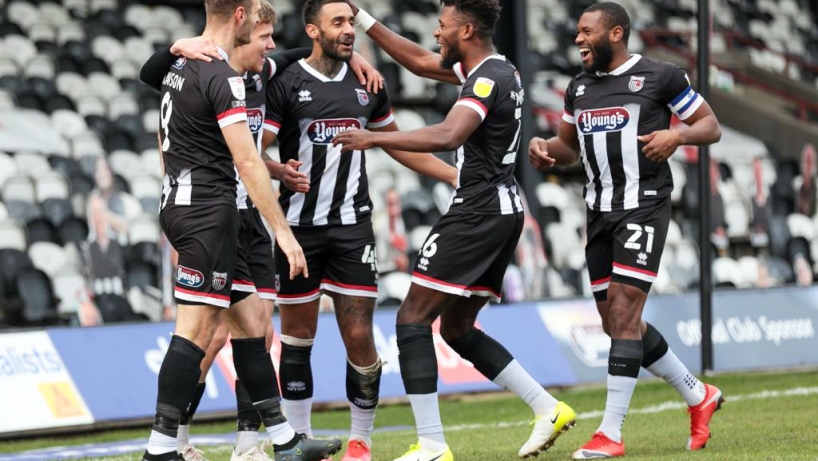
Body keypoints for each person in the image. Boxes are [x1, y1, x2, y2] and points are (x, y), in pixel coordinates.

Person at [139, 2, 383, 459]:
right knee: (198, 335)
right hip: (207, 210)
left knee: (254, 327)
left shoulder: (210, 66)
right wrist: (285, 233)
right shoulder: (217, 74)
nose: (269, 44)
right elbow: (246, 160)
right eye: (261, 31)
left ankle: (279, 440)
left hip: (222, 210)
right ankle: (164, 447)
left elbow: (290, 55)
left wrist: (351, 57)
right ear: (238, 17)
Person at [333, 1, 576, 460]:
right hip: (500, 209)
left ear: (465, 29)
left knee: (411, 320)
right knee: (458, 328)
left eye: (442, 27)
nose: (435, 34)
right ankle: (547, 408)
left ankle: (431, 445)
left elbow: (449, 135)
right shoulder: (496, 71)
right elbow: (420, 62)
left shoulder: (484, 79)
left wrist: (374, 138)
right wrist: (363, 20)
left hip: (478, 212)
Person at [260, 2, 458, 461]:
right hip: (298, 231)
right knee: (296, 338)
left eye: (351, 22)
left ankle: (361, 442)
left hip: (352, 230)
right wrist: (278, 171)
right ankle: (300, 440)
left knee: (359, 336)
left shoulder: (368, 85)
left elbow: (397, 143)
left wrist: (450, 176)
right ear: (313, 30)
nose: (349, 30)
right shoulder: (285, 83)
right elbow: (254, 151)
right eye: (338, 23)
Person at [527, 3, 724, 458]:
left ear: (615, 33)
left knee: (624, 312)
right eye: (576, 32)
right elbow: (569, 148)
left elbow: (709, 126)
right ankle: (699, 395)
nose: (577, 40)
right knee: (615, 322)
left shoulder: (663, 77)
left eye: (585, 32)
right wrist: (545, 149)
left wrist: (678, 136)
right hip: (598, 213)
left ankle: (610, 434)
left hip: (644, 207)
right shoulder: (577, 88)